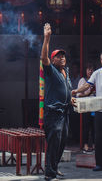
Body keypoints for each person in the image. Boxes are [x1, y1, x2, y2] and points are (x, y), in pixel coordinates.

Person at [40, 23, 73, 181]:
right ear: (53, 60)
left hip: (65, 112)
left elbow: (67, 91)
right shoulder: (50, 70)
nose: (62, 58)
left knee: (62, 142)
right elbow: (44, 58)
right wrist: (47, 38)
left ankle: (54, 167)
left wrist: (71, 98)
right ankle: (49, 173)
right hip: (53, 113)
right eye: (58, 56)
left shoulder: (65, 71)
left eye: (63, 56)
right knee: (54, 143)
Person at [76, 63, 96, 153]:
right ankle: (85, 145)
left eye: (92, 70)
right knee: (86, 127)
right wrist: (89, 93)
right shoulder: (82, 80)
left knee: (95, 127)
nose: (90, 71)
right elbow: (78, 95)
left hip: (95, 107)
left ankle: (95, 145)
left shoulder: (96, 81)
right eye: (88, 69)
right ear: (86, 71)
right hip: (85, 107)